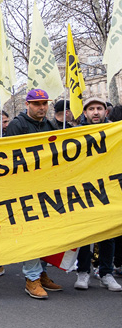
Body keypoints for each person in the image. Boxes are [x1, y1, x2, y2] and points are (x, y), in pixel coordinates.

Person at [5, 89, 62, 299]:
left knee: (45, 234)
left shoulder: (49, 125)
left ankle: (42, 273)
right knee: (32, 233)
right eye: (37, 104)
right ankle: (31, 278)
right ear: (27, 104)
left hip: (46, 187)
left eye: (45, 104)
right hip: (25, 189)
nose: (42, 108)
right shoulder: (16, 125)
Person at [73, 94, 121, 292]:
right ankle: (83, 272)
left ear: (105, 112)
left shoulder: (114, 132)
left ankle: (106, 273)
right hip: (83, 189)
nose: (95, 112)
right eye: (91, 109)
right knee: (85, 234)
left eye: (99, 109)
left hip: (108, 190)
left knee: (107, 235)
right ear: (85, 112)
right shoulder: (75, 133)